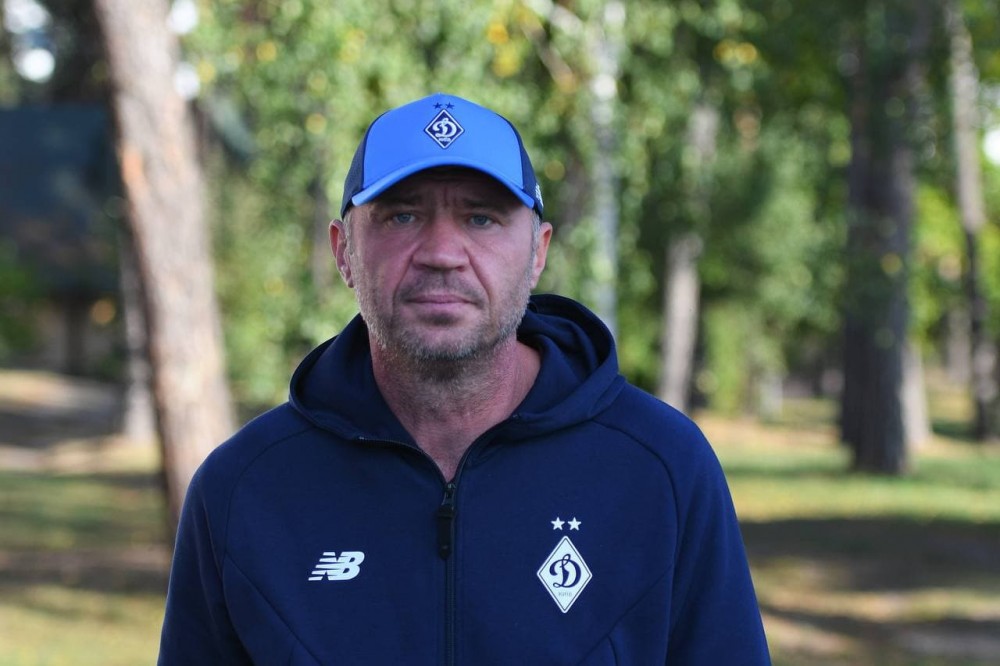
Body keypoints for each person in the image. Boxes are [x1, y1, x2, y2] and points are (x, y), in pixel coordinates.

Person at [157, 92, 770, 665]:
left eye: (481, 219)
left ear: (538, 252)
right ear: (344, 251)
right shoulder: (244, 491)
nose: (442, 253)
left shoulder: (661, 470)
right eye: (402, 216)